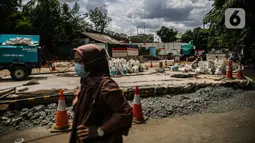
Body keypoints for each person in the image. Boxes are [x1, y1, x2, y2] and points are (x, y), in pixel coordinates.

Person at [70, 44, 133, 143]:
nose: (77, 65)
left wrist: (100, 131)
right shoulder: (86, 80)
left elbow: (125, 112)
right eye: (76, 61)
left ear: (93, 62)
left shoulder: (106, 85)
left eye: (80, 61)